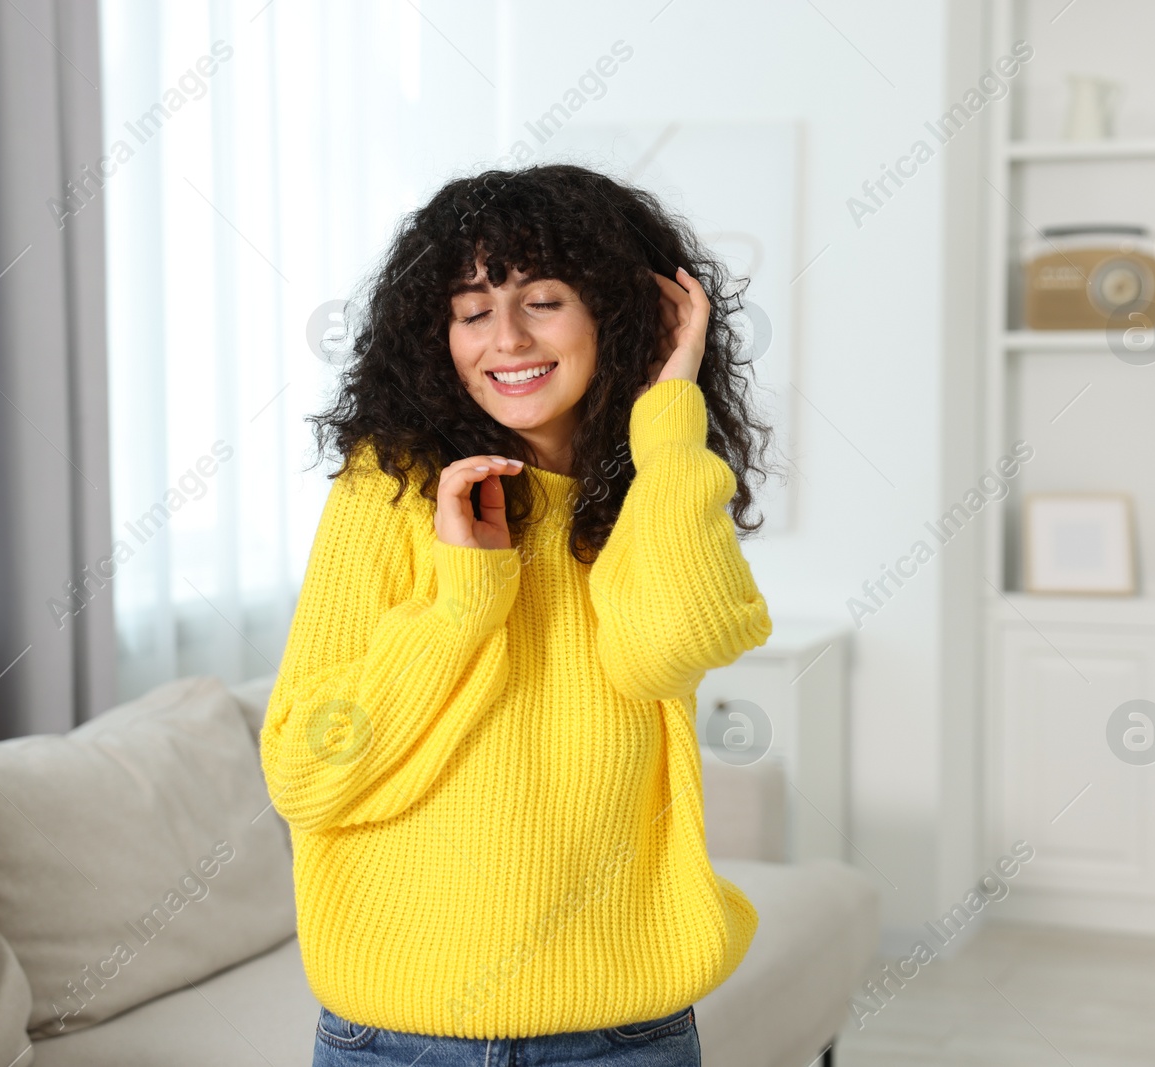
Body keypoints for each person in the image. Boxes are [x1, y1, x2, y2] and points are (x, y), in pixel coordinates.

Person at [262, 162, 777, 1066]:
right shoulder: (393, 484)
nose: (504, 338)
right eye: (471, 310)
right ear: (438, 336)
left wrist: (669, 415)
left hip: (620, 1034)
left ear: (617, 313)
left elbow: (671, 646)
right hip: (397, 1037)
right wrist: (465, 597)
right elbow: (305, 772)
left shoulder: (657, 493)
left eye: (542, 300)